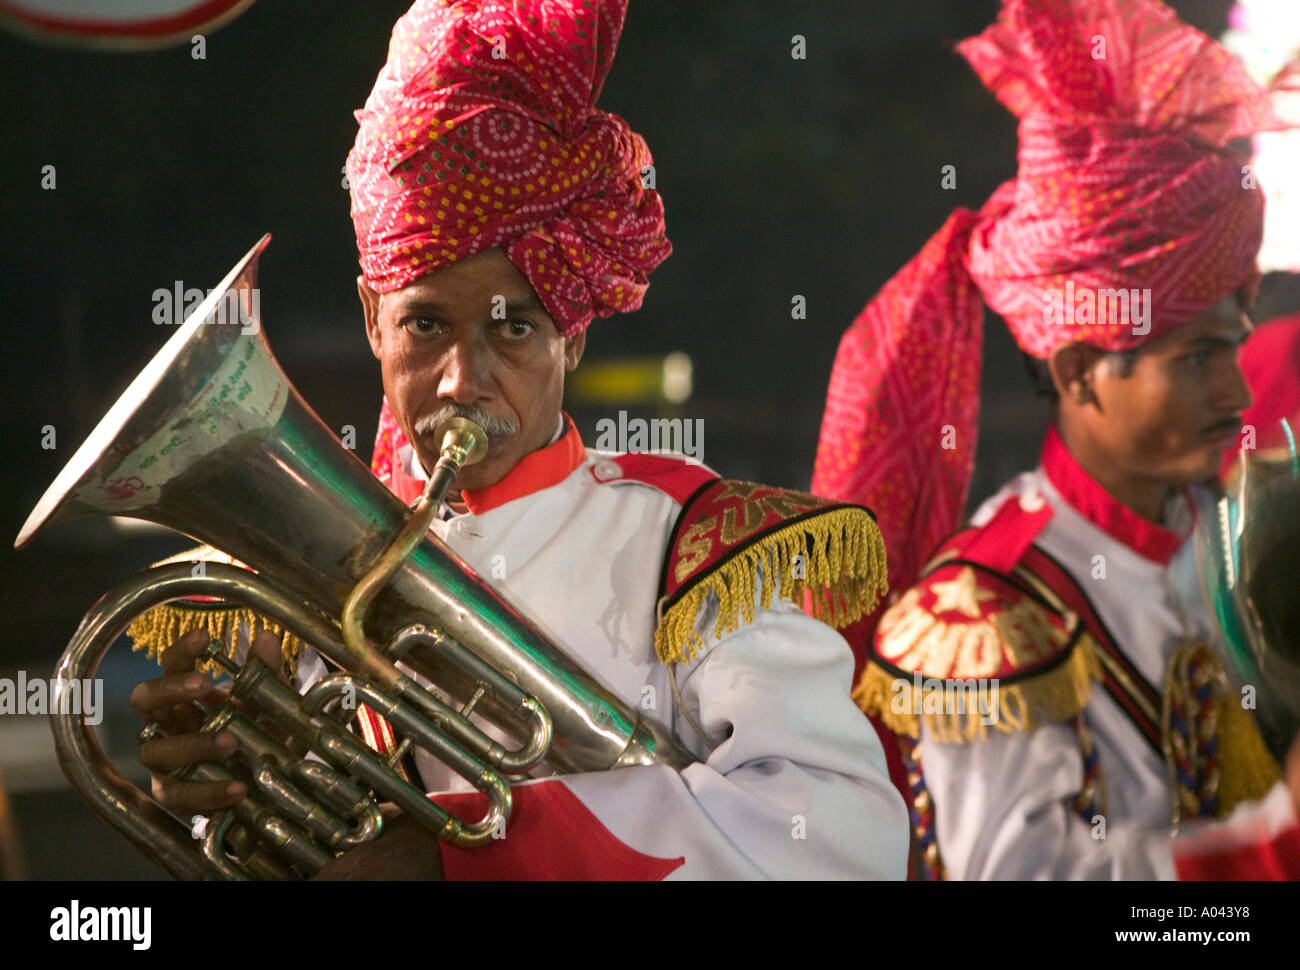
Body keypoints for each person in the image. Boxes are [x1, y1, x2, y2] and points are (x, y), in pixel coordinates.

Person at [126, 0, 907, 881]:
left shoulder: (693, 545)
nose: (463, 379)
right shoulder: (281, 580)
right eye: (424, 327)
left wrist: (459, 857)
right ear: (370, 320)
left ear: (572, 333)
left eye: (514, 330)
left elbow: (842, 844)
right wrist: (217, 807)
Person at [812, 0, 1300, 880]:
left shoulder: (1235, 527)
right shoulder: (983, 608)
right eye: (1196, 359)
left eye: (1232, 345)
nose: (1234, 390)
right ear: (1078, 371)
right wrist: (1272, 850)